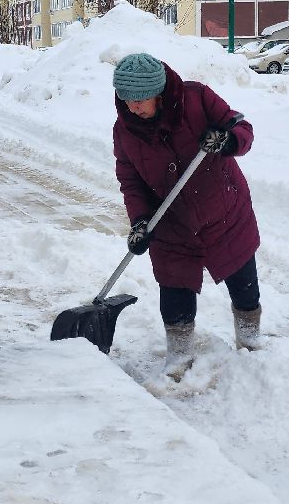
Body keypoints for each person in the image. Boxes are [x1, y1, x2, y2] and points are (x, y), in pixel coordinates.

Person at [111, 53, 262, 377]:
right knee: (174, 293)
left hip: (224, 213)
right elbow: (130, 179)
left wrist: (227, 141)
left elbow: (242, 128)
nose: (132, 107)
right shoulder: (124, 131)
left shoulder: (196, 99)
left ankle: (251, 344)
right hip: (172, 224)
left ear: (158, 92)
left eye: (139, 99)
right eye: (125, 99)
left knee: (245, 287)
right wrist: (139, 221)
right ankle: (179, 359)